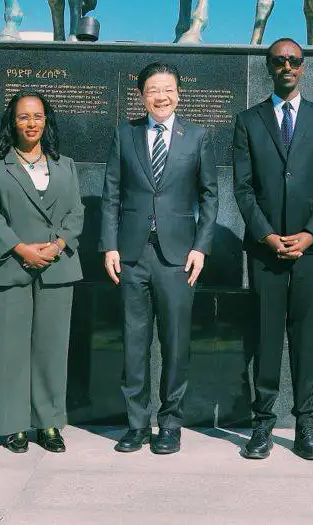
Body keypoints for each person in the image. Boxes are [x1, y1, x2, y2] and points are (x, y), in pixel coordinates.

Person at [101, 62, 218, 454]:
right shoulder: (125, 134)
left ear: (179, 94)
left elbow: (210, 196)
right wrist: (110, 246)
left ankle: (170, 424)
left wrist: (201, 247)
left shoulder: (197, 136)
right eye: (153, 90)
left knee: (176, 342)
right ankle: (136, 425)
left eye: (168, 89)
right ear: (141, 95)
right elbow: (111, 194)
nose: (161, 97)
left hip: (179, 257)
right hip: (131, 254)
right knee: (134, 343)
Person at [233, 37, 313, 460]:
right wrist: (266, 235)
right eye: (279, 61)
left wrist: (310, 233)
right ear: (269, 67)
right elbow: (243, 189)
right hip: (265, 249)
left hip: (312, 249)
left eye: (294, 60)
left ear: (303, 66)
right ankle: (262, 425)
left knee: (303, 335)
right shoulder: (248, 121)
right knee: (266, 335)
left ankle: (305, 426)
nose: (287, 66)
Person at [0, 90, 83, 453]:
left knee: (52, 349)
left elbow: (76, 213)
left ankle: (49, 424)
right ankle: (14, 425)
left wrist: (57, 246)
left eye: (37, 116)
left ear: (46, 121)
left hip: (57, 267)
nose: (31, 123)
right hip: (9, 267)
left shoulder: (66, 165)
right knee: (9, 350)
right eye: (23, 116)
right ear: (12, 121)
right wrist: (21, 249)